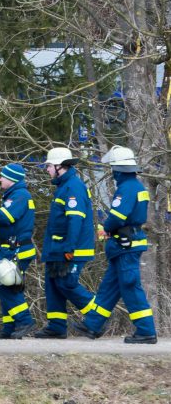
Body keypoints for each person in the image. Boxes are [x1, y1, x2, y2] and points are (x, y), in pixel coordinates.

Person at [72, 146, 157, 344]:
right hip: (126, 245)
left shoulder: (126, 188)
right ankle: (93, 324)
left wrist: (107, 227)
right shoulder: (136, 186)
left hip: (125, 246)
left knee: (130, 286)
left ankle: (146, 331)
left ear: (117, 170)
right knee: (109, 287)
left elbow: (117, 217)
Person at [33, 147, 98, 339]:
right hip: (58, 248)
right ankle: (56, 326)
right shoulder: (63, 186)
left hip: (72, 248)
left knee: (67, 283)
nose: (47, 170)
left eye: (49, 166)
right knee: (53, 283)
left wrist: (69, 249)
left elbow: (75, 220)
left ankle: (97, 317)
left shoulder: (73, 187)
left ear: (60, 166)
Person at [0, 163, 36, 339]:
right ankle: (10, 327)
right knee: (5, 285)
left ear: (12, 179)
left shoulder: (20, 195)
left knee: (7, 288)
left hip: (16, 249)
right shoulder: (14, 195)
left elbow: (7, 216)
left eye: (2, 176)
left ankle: (24, 321)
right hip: (10, 247)